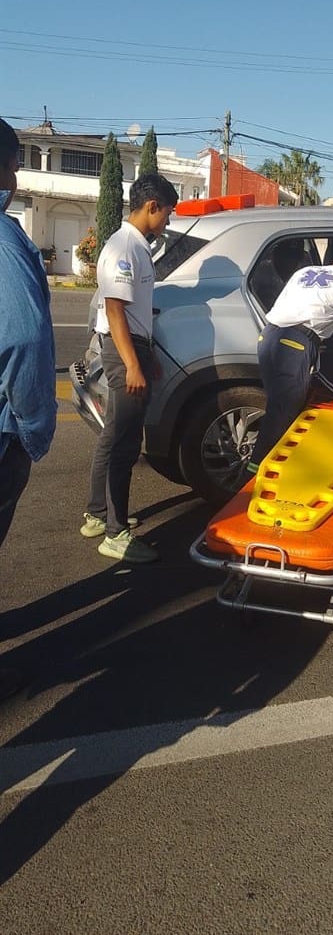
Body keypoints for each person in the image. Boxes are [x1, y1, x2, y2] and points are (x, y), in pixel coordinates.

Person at [81, 173, 178, 562]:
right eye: (168, 212)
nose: (168, 220)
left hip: (131, 347)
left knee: (112, 437)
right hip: (122, 350)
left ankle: (98, 513)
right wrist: (132, 364)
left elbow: (132, 312)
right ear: (152, 206)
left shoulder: (135, 245)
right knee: (124, 443)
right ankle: (115, 534)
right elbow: (115, 310)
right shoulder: (125, 247)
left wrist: (145, 356)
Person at [0, 118, 57, 700]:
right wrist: (35, 428)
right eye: (13, 166)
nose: (16, 178)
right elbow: (22, 340)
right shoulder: (4, 240)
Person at [248, 251, 333, 472]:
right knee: (282, 412)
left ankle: (269, 466)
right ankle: (253, 475)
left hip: (268, 336)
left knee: (277, 404)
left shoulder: (304, 271)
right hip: (296, 343)